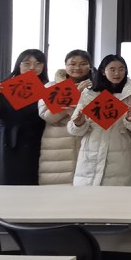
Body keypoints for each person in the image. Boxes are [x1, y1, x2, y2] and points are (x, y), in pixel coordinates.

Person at [68, 55, 131, 186]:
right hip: (91, 154)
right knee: (86, 196)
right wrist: (79, 122)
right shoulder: (89, 93)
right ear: (103, 71)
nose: (117, 73)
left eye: (121, 69)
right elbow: (74, 130)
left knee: (118, 196)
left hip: (121, 154)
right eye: (112, 69)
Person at [0, 49, 49, 185]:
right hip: (0, 140)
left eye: (38, 63)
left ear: (43, 67)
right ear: (19, 65)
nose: (32, 67)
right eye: (27, 63)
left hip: (32, 141)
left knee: (26, 183)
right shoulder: (1, 86)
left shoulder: (48, 88)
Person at [38, 49, 93, 185]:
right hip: (57, 144)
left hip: (88, 141)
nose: (77, 68)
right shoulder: (51, 86)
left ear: (90, 66)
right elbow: (47, 116)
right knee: (56, 185)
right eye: (72, 64)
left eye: (83, 64)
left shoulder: (97, 87)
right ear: (65, 65)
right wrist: (75, 93)